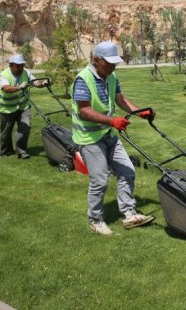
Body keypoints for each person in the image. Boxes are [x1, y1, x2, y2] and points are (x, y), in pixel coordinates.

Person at [71, 40, 155, 236]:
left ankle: (128, 213)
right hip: (89, 137)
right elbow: (84, 111)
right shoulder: (83, 79)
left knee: (128, 171)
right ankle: (95, 220)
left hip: (107, 134)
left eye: (115, 62)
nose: (113, 66)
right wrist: (112, 121)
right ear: (97, 60)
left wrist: (138, 112)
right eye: (109, 62)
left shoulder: (111, 76)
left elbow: (120, 98)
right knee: (100, 180)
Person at [0, 54, 48, 159]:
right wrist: (19, 87)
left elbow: (35, 82)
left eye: (22, 65)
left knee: (25, 127)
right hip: (7, 108)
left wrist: (43, 83)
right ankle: (5, 151)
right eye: (17, 66)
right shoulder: (4, 75)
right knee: (6, 132)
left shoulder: (26, 72)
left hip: (23, 107)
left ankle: (21, 151)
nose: (20, 68)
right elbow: (6, 88)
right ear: (11, 65)